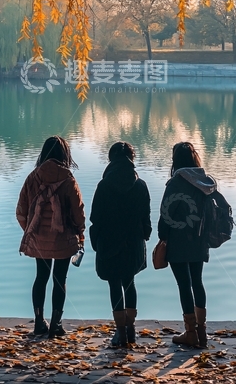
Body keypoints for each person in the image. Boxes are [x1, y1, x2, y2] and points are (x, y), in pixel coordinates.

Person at [16, 136, 86, 338]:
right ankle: (56, 324)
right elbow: (78, 212)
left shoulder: (32, 177)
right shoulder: (68, 180)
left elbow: (21, 210)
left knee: (41, 277)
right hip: (63, 238)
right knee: (59, 279)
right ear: (65, 155)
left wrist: (31, 230)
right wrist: (80, 234)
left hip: (39, 239)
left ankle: (39, 323)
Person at [89, 141, 152, 347]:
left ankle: (120, 331)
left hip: (110, 242)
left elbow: (95, 218)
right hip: (133, 242)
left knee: (114, 285)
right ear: (132, 159)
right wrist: (145, 235)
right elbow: (146, 217)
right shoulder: (141, 185)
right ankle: (131, 328)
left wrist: (96, 242)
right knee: (130, 282)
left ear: (111, 159)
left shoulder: (104, 186)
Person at [157, 141, 216, 348]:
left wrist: (162, 237)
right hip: (199, 240)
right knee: (197, 282)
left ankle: (190, 333)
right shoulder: (205, 183)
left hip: (178, 242)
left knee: (184, 285)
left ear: (176, 161)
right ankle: (202, 332)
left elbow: (166, 215)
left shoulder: (176, 183)